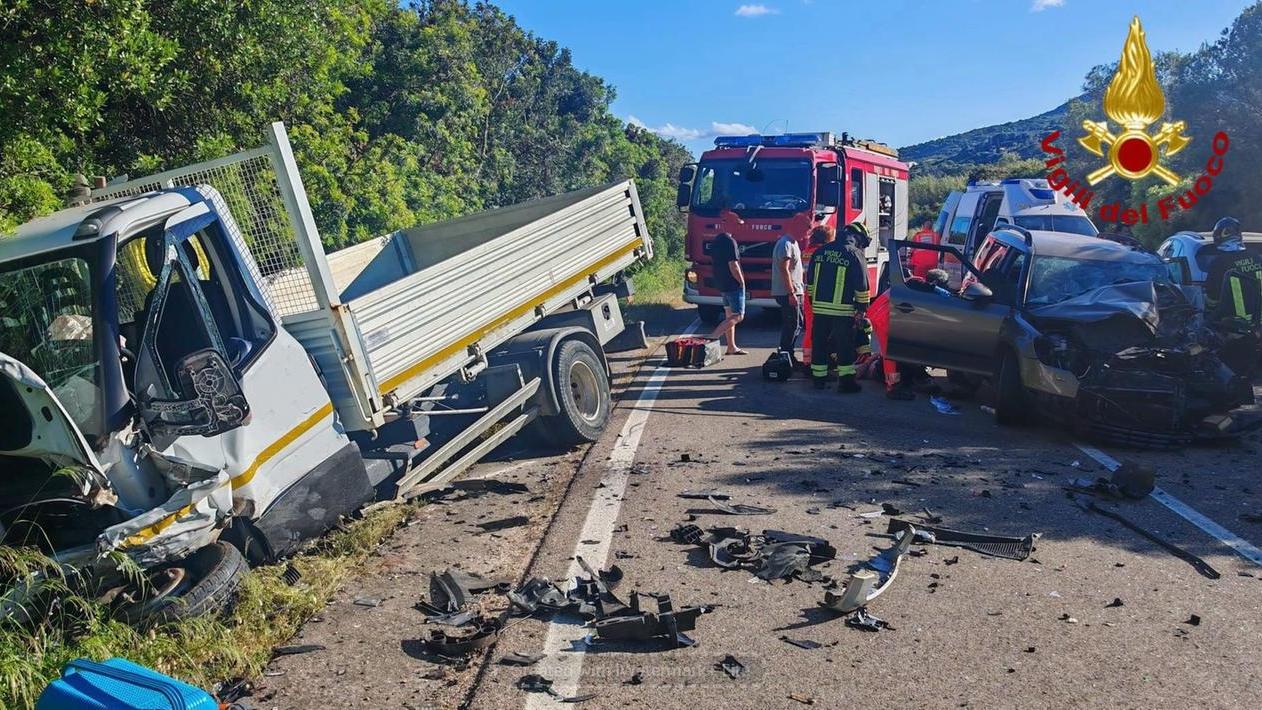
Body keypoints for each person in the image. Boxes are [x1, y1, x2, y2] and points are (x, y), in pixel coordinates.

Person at [806, 222, 870, 392]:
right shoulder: (854, 254)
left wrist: (814, 302)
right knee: (845, 345)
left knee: (819, 343)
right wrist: (862, 309)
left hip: (819, 308)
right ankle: (846, 382)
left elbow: (810, 281)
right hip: (842, 310)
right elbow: (862, 285)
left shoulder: (820, 252)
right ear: (858, 238)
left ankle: (818, 379)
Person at [1204, 217, 1262, 324]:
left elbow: (1212, 299)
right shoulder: (1256, 257)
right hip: (1259, 323)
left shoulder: (1218, 263)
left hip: (1236, 328)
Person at [708, 231, 747, 355]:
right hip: (733, 284)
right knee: (738, 316)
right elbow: (733, 264)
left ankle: (731, 347)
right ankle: (713, 336)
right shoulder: (730, 242)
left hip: (722, 283)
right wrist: (741, 282)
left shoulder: (716, 241)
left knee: (729, 315)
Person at [771, 232, 805, 363]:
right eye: (806, 228)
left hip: (794, 291)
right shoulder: (785, 244)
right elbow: (784, 269)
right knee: (793, 324)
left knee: (795, 324)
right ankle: (786, 356)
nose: (807, 233)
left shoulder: (793, 243)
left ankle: (787, 355)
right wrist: (791, 292)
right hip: (789, 293)